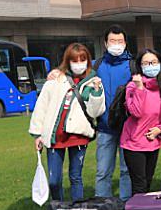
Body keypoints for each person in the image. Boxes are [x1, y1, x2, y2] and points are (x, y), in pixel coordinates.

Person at [29, 43, 105, 201]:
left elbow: (95, 112)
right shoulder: (55, 80)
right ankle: (57, 208)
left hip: (78, 136)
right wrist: (37, 134)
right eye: (74, 60)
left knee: (76, 176)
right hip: (55, 136)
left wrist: (97, 93)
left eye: (82, 60)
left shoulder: (93, 81)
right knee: (54, 180)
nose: (79, 64)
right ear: (68, 61)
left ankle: (78, 209)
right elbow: (41, 107)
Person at [120, 49, 161, 195]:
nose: (151, 66)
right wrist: (140, 88)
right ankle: (136, 208)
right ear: (140, 66)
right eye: (146, 63)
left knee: (148, 182)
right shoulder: (132, 86)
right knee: (139, 184)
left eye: (154, 62)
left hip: (153, 142)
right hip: (134, 143)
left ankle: (143, 207)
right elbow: (136, 112)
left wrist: (160, 128)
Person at [93, 25, 133, 200]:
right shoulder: (97, 65)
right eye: (112, 41)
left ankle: (126, 204)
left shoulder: (132, 65)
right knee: (103, 171)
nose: (116, 44)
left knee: (126, 170)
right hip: (104, 127)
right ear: (105, 43)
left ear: (125, 43)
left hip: (128, 128)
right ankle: (103, 203)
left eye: (120, 41)